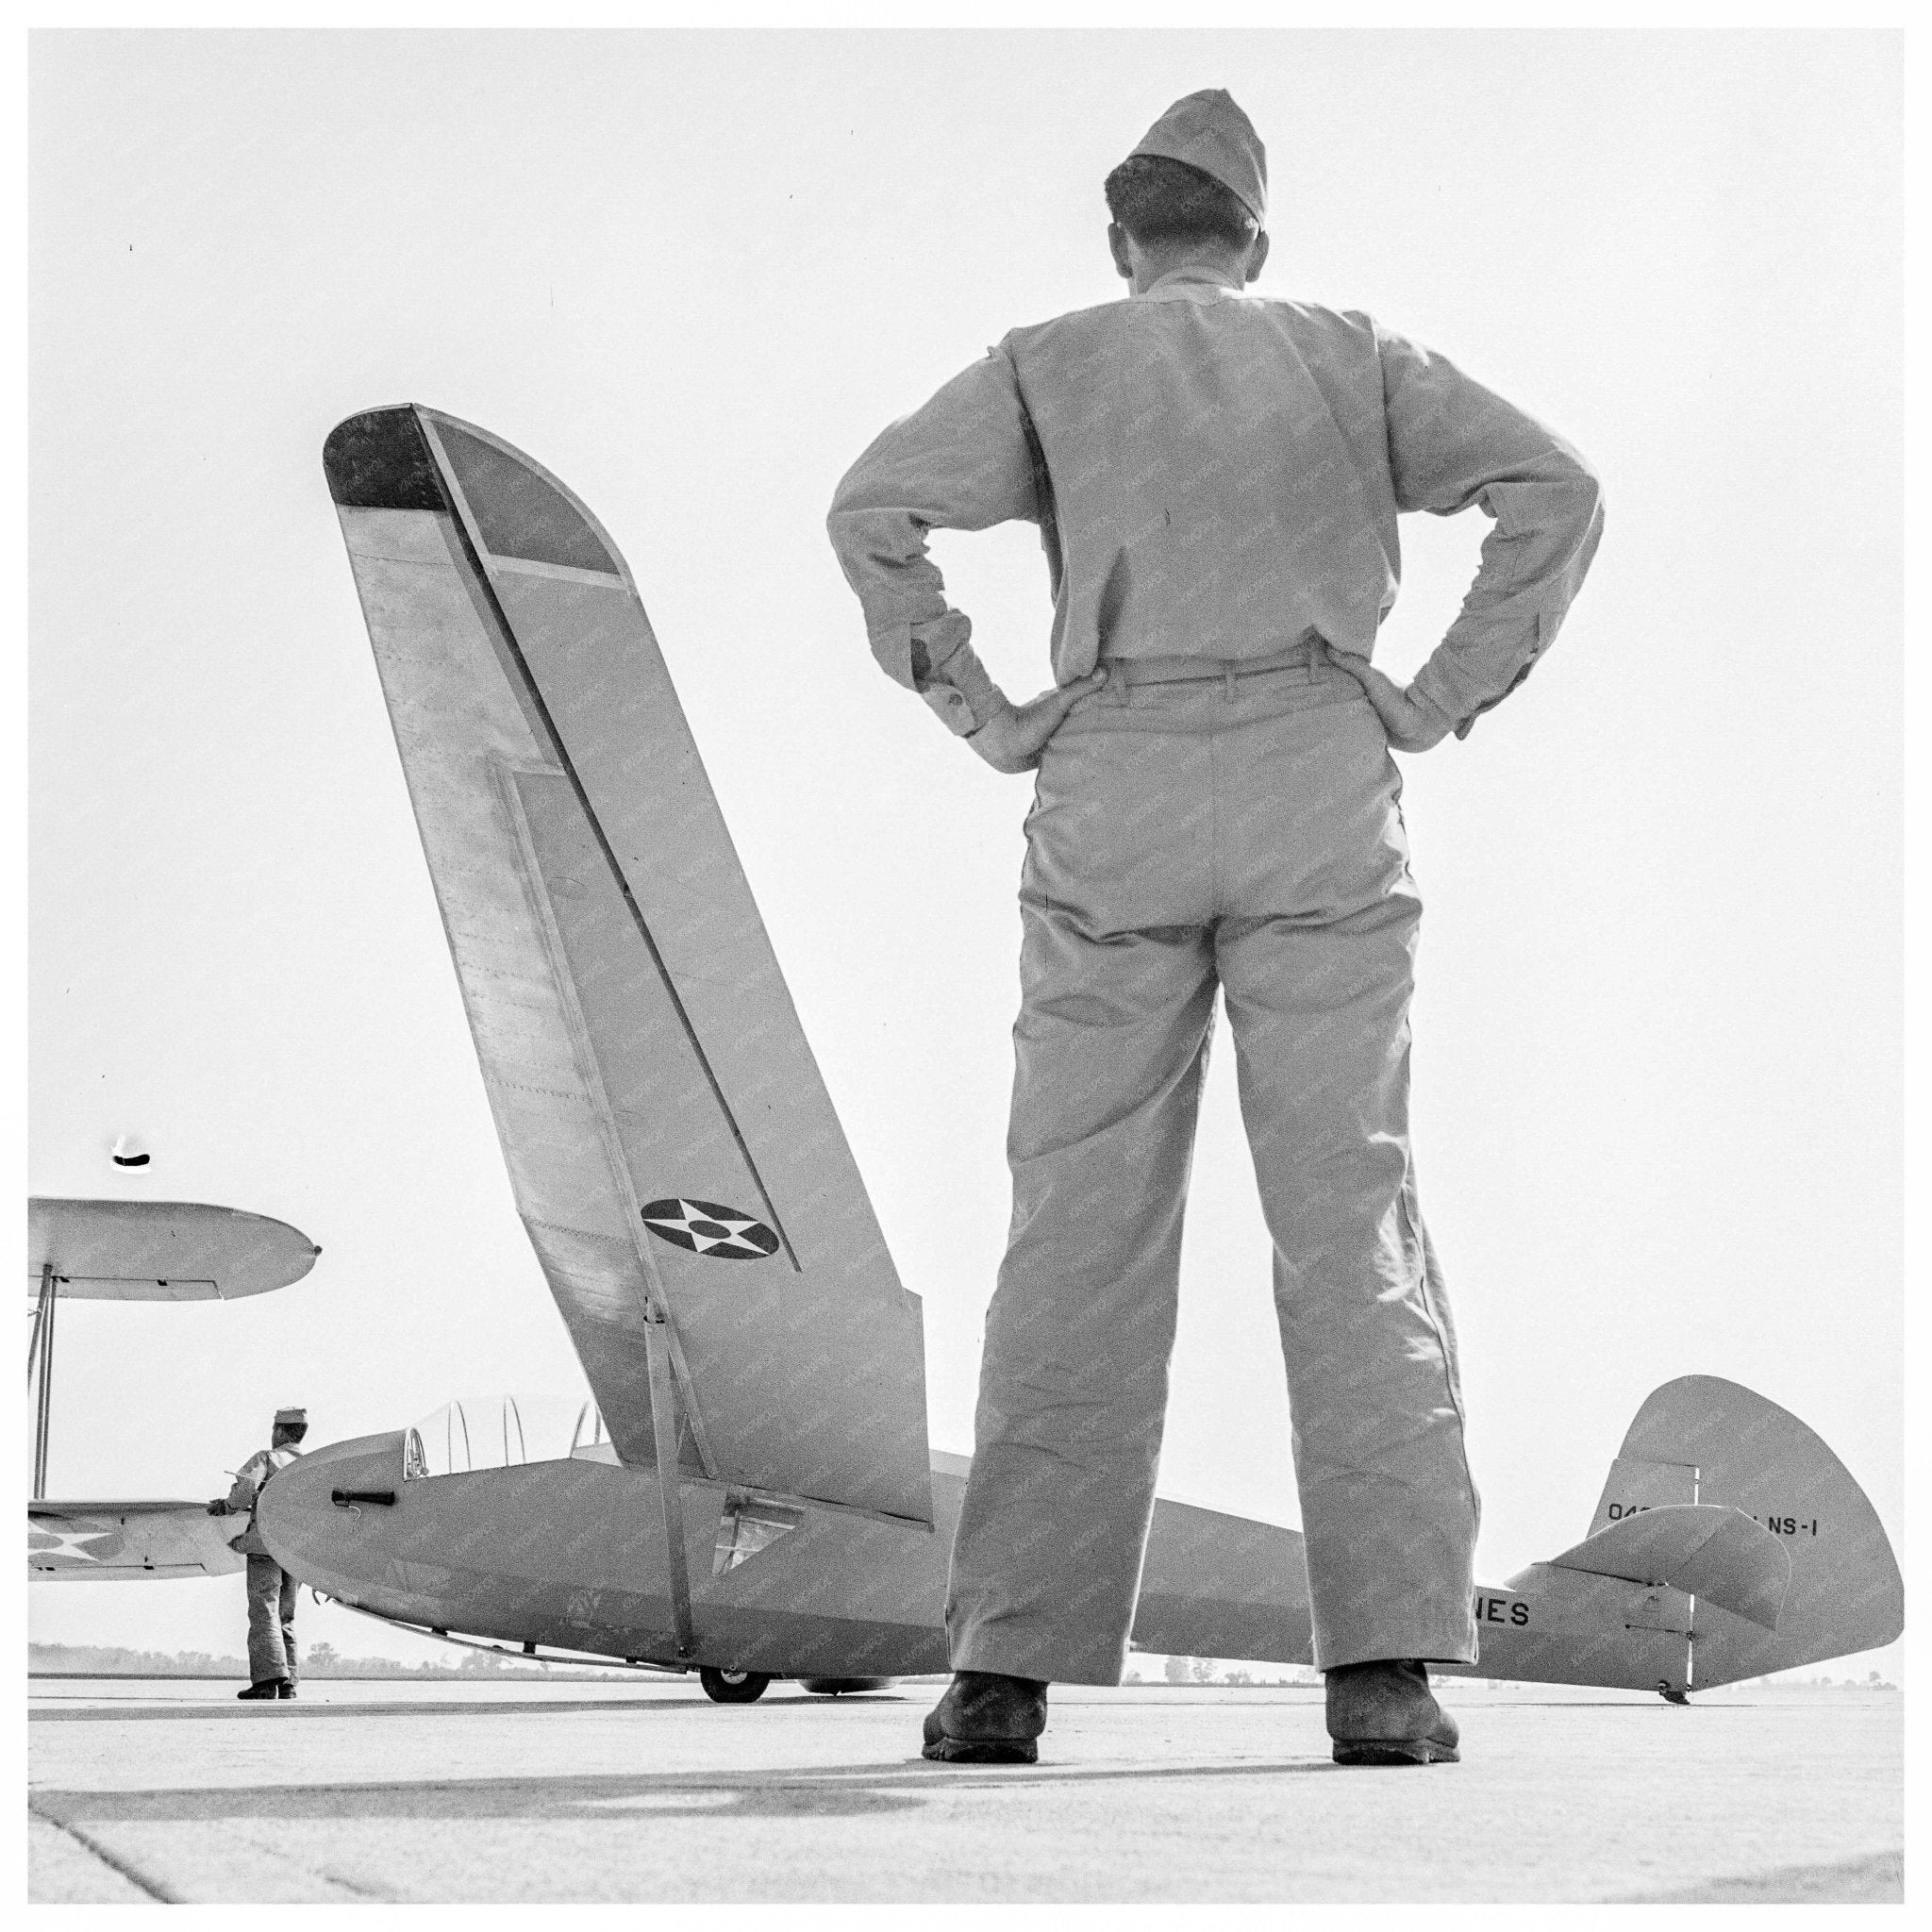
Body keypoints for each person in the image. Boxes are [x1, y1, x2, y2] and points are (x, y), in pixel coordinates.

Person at [827, 89, 1602, 1768]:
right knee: (1351, 1218)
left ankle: (1002, 1679)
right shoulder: (1349, 352)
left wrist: (983, 709)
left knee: (1076, 1233)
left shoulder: (1044, 358)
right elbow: (1554, 483)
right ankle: (1383, 1674)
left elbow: (870, 510)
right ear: (1251, 244)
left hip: (1109, 773)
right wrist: (1430, 697)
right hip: (1318, 773)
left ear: (1123, 244)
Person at [208, 1406, 308, 1700]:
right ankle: (288, 1683)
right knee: (286, 1616)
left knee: (264, 1610)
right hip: (299, 1551)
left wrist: (225, 1507)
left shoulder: (267, 1457)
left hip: (266, 1545)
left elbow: (244, 1491)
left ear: (279, 1430)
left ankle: (266, 1681)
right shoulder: (311, 1464)